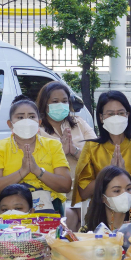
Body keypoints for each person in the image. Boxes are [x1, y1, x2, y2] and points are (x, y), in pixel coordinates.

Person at [72, 91, 131, 230]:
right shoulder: (91, 147)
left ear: (127, 115)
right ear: (101, 117)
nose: (116, 117)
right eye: (110, 114)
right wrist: (108, 175)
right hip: (100, 215)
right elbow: (83, 192)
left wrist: (125, 176)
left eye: (121, 113)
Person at [0, 97, 72, 214]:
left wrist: (37, 171)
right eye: (20, 117)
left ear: (39, 122)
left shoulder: (53, 145)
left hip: (48, 209)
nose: (26, 121)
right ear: (10, 124)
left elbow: (65, 185)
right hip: (8, 210)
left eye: (31, 117)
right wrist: (22, 172)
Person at [36, 81, 96, 218]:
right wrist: (61, 152)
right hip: (54, 194)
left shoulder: (79, 123)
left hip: (85, 190)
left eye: (64, 101)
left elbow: (96, 157)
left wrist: (74, 151)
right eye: (55, 101)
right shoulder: (37, 130)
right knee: (69, 219)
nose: (60, 105)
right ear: (45, 104)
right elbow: (38, 164)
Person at [80, 165, 131, 233]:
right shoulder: (87, 232)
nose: (125, 194)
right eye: (117, 190)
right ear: (103, 197)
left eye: (128, 189)